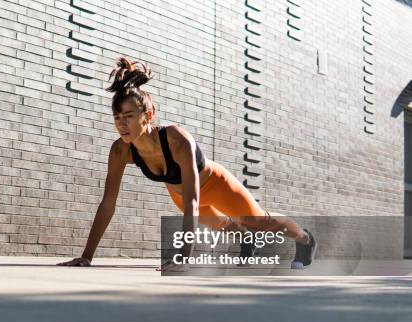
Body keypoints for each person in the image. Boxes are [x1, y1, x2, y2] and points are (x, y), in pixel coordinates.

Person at [57, 57, 317, 271]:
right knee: (224, 226)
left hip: (215, 184)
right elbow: (108, 203)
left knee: (258, 221)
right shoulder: (120, 150)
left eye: (128, 116)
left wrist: (184, 256)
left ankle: (305, 239)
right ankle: (247, 240)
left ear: (148, 115)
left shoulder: (176, 139)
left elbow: (194, 199)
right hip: (180, 195)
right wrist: (87, 256)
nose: (121, 124)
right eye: (117, 117)